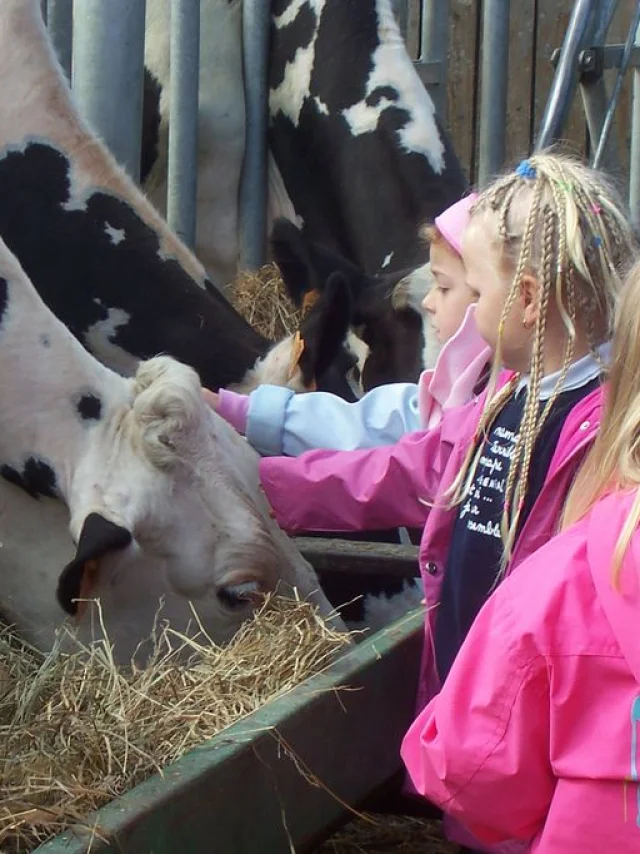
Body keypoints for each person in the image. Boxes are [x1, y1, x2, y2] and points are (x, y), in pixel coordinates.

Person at [249, 152, 638, 851]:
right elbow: (415, 468)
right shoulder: (507, 396)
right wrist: (270, 490)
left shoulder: (605, 426)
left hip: (546, 722)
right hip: (478, 688)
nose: (464, 315)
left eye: (477, 295)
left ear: (524, 300)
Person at [401, 258, 640, 852]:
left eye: (468, 288)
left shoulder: (563, 582)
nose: (433, 302)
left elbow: (462, 768)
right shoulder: (506, 399)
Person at [205, 193, 489, 456]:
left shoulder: (502, 414)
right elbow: (358, 425)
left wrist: (286, 477)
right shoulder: (438, 399)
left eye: (443, 287)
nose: (428, 301)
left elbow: (390, 468)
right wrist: (236, 408)